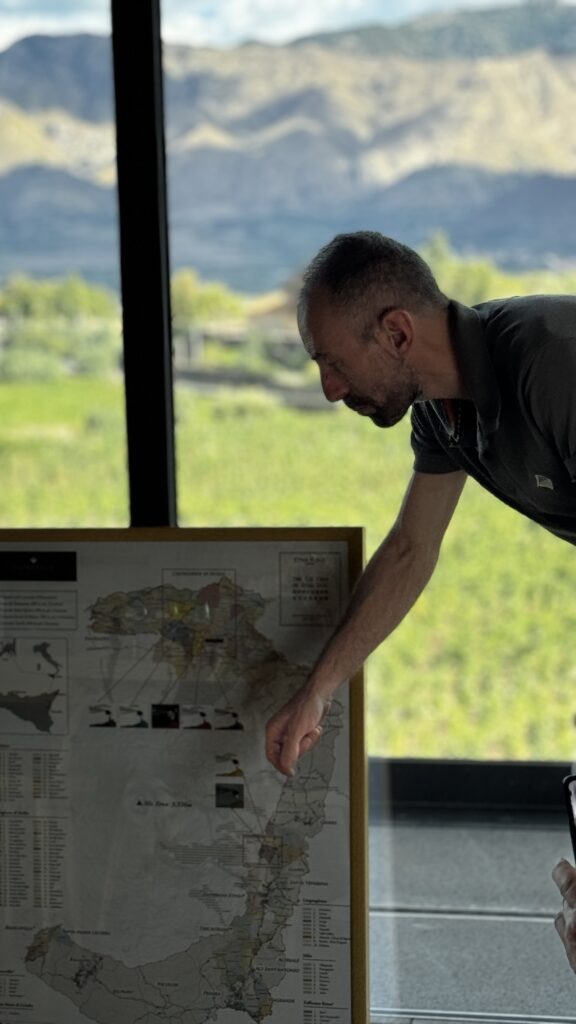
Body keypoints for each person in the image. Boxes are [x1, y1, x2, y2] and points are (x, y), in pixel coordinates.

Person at [263, 230, 576, 972]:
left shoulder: (552, 361)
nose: (329, 389)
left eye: (333, 362)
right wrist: (319, 691)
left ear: (397, 332)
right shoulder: (443, 412)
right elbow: (410, 549)